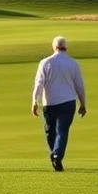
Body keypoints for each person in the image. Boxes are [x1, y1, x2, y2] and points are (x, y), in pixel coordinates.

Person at [31, 36, 87, 172]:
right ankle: (56, 155)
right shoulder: (73, 63)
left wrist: (35, 101)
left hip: (49, 103)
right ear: (66, 48)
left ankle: (56, 155)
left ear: (54, 47)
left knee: (50, 131)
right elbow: (80, 85)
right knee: (62, 131)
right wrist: (83, 103)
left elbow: (39, 83)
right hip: (68, 102)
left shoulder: (45, 62)